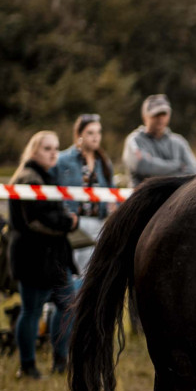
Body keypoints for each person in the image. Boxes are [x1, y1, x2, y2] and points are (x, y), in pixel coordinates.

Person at [8, 131, 80, 378]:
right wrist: (67, 222)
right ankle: (27, 366)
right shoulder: (28, 178)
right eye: (47, 148)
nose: (53, 153)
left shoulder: (45, 175)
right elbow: (35, 220)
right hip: (33, 255)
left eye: (56, 148)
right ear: (34, 150)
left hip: (55, 256)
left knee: (67, 304)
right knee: (32, 310)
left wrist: (66, 221)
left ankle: (61, 360)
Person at [54, 113, 115, 274]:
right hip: (74, 222)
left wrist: (114, 208)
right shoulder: (63, 159)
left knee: (92, 270)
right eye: (90, 133)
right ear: (79, 135)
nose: (96, 137)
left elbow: (112, 190)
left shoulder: (103, 161)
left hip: (98, 222)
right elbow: (52, 189)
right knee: (71, 269)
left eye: (98, 133)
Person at [122, 94, 196, 187]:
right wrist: (177, 165)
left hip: (174, 199)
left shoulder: (179, 142)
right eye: (156, 115)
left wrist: (157, 169)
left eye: (164, 114)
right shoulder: (135, 140)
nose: (160, 118)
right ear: (144, 116)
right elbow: (143, 166)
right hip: (144, 199)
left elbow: (193, 171)